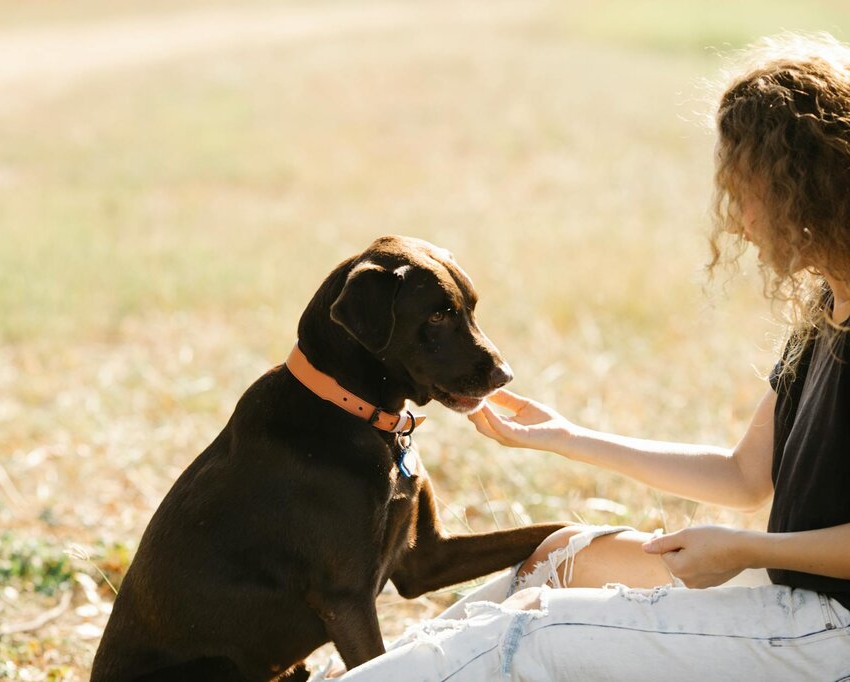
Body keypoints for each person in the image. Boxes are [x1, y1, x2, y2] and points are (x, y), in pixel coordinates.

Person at [323, 32, 850, 681]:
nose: (739, 220)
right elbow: (744, 475)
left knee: (529, 636)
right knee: (559, 556)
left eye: (750, 192)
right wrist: (567, 437)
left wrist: (745, 547)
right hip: (791, 602)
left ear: (808, 185)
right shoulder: (826, 309)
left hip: (831, 632)